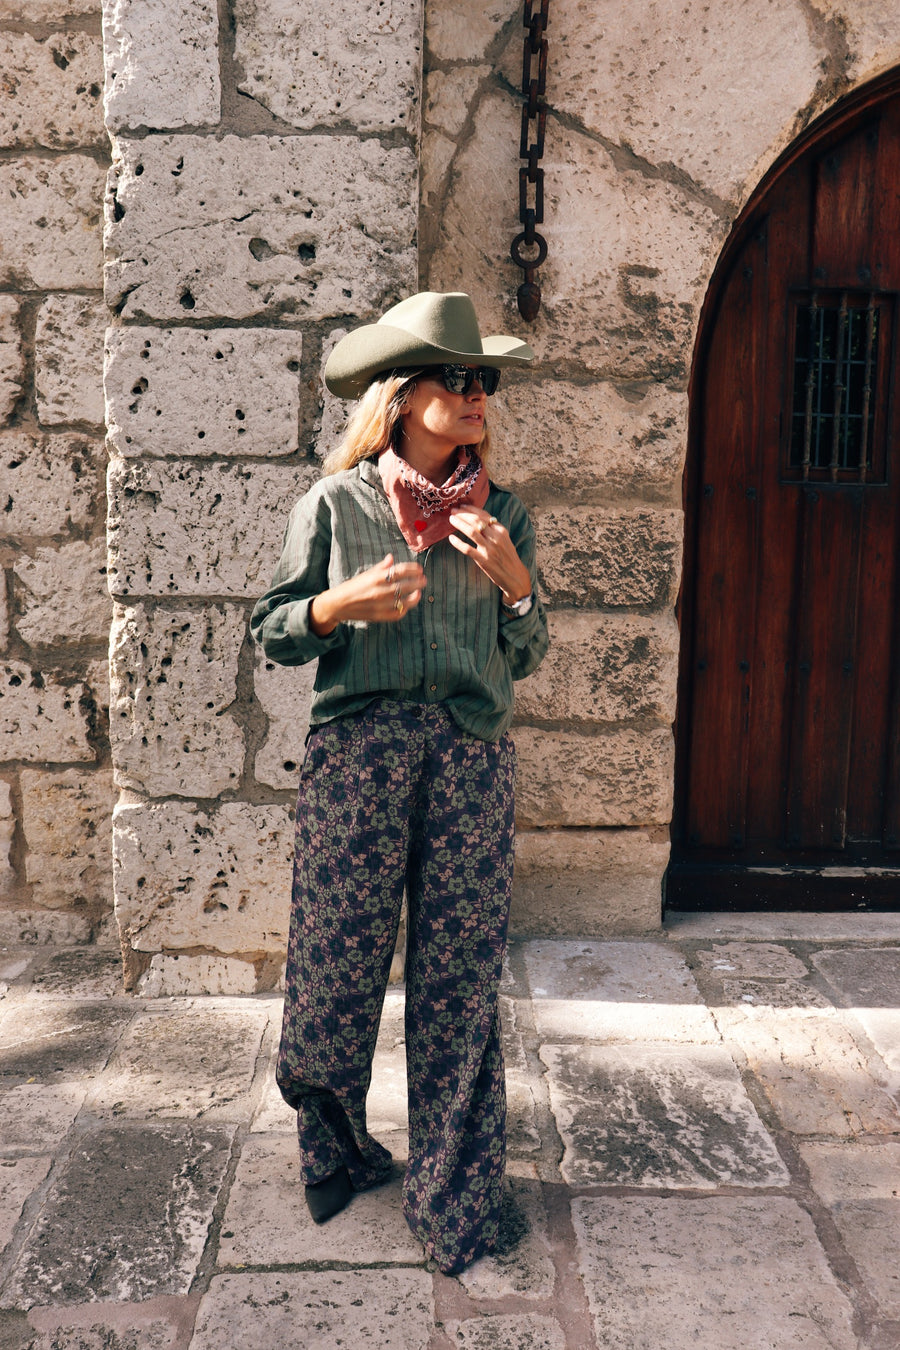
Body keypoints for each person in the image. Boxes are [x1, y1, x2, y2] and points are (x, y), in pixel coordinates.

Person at [250, 290, 549, 1274]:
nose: (476, 398)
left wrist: (517, 585)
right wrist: (336, 604)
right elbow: (275, 629)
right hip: (360, 756)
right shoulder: (334, 507)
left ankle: (453, 1191)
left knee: (460, 984)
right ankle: (333, 1147)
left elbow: (529, 651)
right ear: (403, 395)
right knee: (334, 971)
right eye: (457, 380)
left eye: (483, 382)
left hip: (470, 759)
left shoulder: (503, 517)